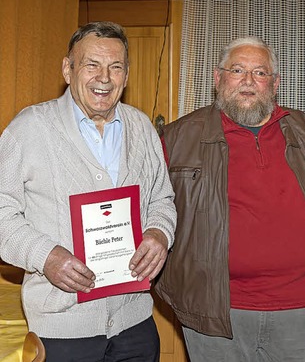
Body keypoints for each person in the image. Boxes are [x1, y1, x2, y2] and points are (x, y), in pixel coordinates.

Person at [154, 36, 305, 362]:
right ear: (218, 79)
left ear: (275, 84)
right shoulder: (177, 139)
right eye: (237, 70)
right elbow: (151, 209)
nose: (248, 81)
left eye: (260, 73)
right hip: (214, 310)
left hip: (300, 308)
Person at [0, 21, 176, 360]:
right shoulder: (29, 129)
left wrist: (159, 233)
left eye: (115, 66)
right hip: (62, 328)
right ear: (68, 69)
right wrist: (45, 256)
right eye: (91, 64)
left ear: (126, 74)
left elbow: (162, 199)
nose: (104, 77)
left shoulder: (142, 127)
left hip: (135, 323)